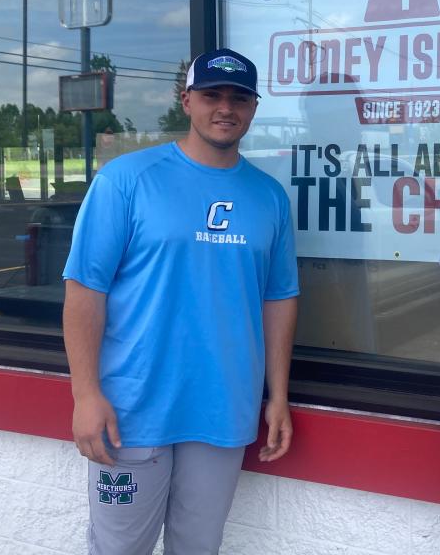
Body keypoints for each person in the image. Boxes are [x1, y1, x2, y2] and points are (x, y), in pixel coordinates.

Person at [62, 47, 299, 555]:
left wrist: (276, 395)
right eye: (212, 94)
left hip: (224, 408)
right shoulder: (126, 181)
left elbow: (278, 299)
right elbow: (84, 291)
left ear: (253, 107)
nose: (225, 107)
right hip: (131, 410)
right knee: (118, 548)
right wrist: (86, 394)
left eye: (239, 97)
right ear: (186, 100)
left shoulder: (269, 197)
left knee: (198, 548)